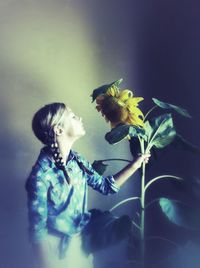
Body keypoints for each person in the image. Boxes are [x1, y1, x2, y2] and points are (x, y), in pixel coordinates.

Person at [25, 102, 150, 268]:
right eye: (73, 116)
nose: (79, 118)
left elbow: (105, 187)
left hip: (79, 243)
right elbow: (37, 232)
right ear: (59, 130)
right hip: (54, 249)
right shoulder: (40, 176)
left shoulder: (78, 161)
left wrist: (135, 164)